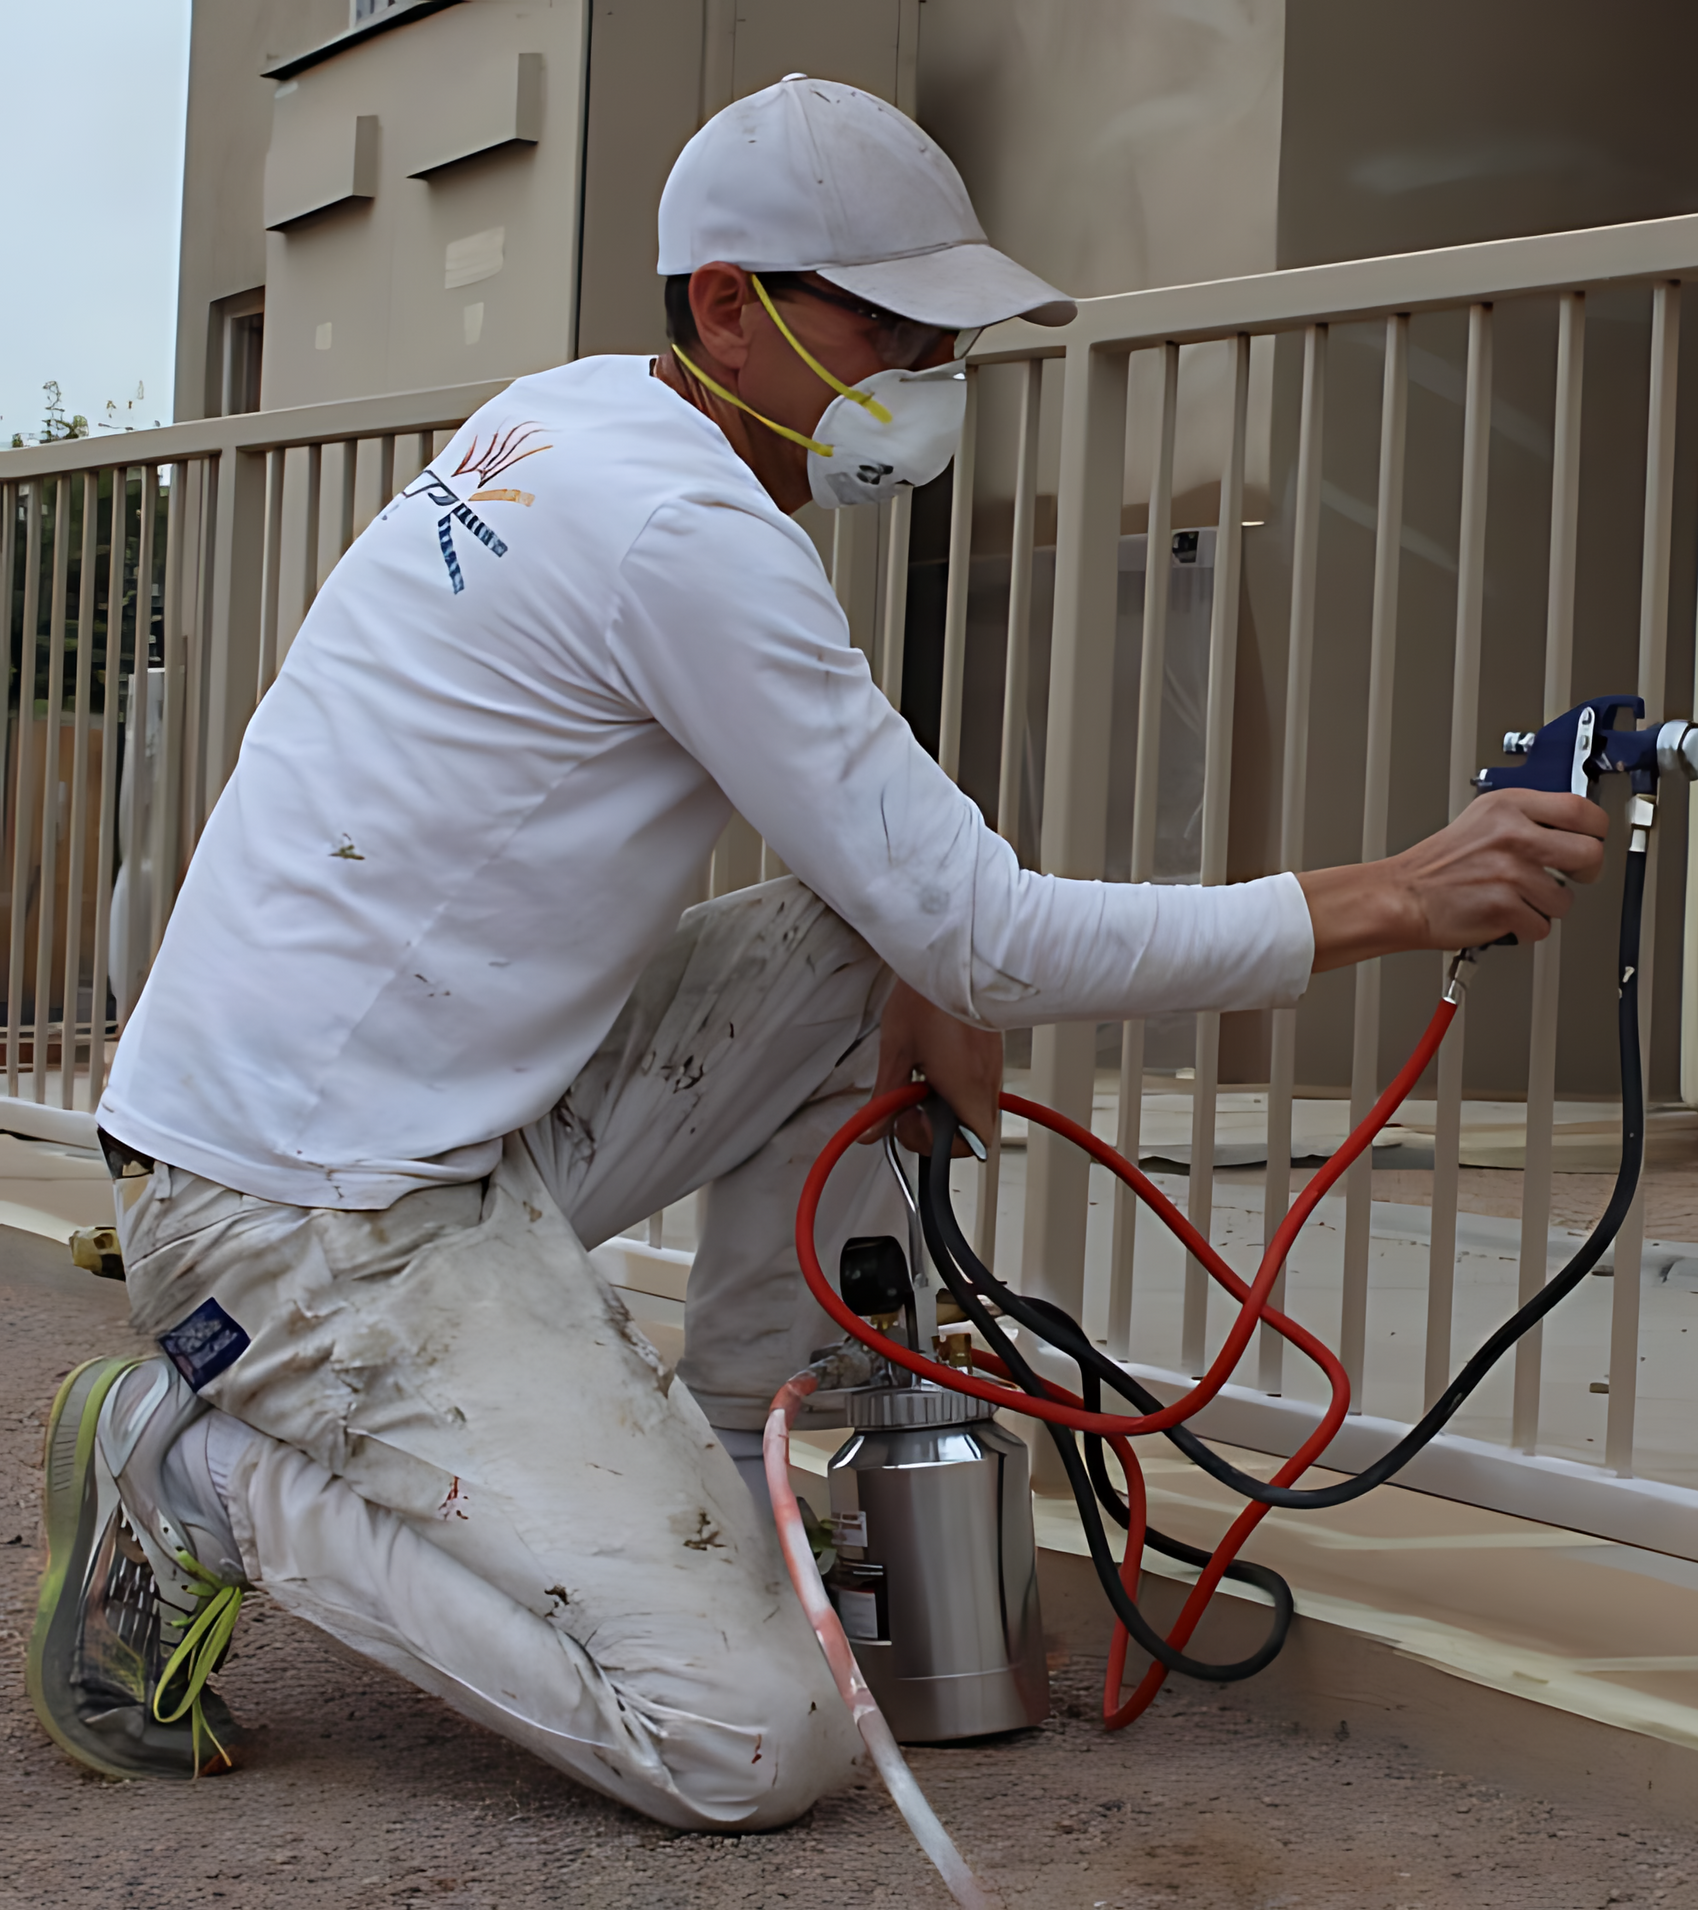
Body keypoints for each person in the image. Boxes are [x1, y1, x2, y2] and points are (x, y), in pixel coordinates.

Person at [27, 76, 1606, 1825]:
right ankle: (200, 1475)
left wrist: (918, 951)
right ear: (726, 301)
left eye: (947, 330)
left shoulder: (583, 422)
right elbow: (994, 929)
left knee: (866, 946)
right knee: (747, 1739)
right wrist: (1395, 893)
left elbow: (915, 901)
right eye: (891, 319)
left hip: (391, 1130)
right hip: (307, 1216)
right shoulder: (682, 528)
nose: (933, 364)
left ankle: (726, 1471)